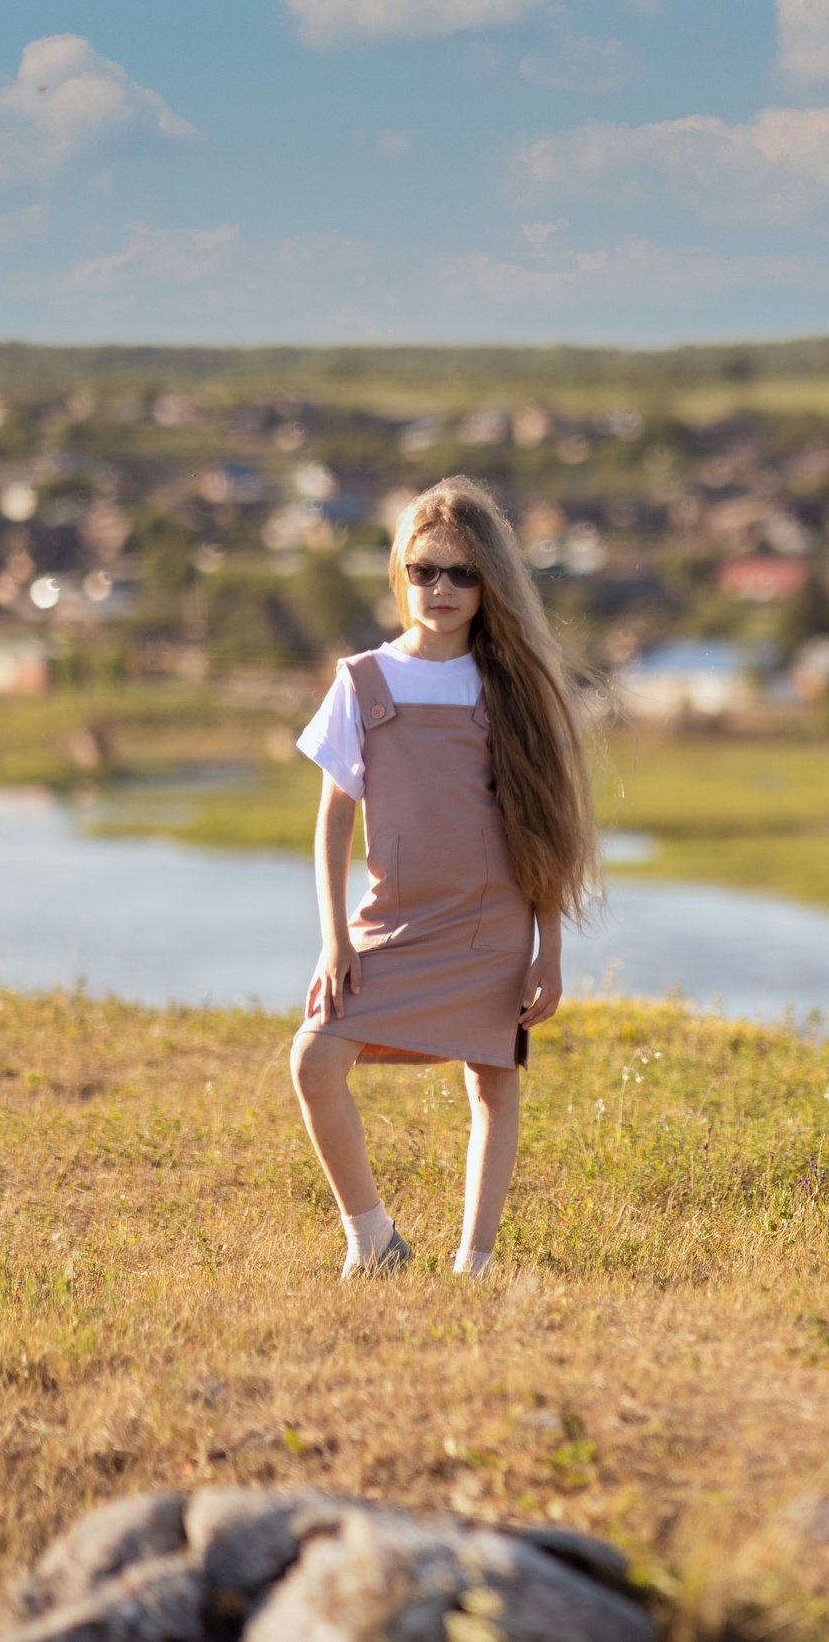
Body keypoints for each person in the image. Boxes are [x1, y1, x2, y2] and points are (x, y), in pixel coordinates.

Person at [289, 476, 597, 1279]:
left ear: (488, 583)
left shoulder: (513, 692)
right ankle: (373, 1236)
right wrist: (332, 939)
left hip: (494, 926)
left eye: (463, 573)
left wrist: (549, 949)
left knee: (493, 1087)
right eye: (426, 569)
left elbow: (547, 834)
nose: (443, 588)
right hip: (390, 921)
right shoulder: (362, 681)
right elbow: (332, 820)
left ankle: (476, 1264)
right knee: (314, 1059)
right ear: (401, 571)